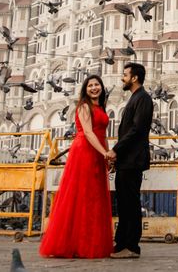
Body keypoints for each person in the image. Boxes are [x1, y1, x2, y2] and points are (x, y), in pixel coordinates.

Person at [39, 75, 114, 259]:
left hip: (97, 151)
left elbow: (102, 134)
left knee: (94, 197)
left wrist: (108, 153)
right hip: (84, 151)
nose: (94, 88)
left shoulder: (101, 107)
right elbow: (88, 132)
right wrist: (104, 153)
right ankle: (72, 243)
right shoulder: (84, 107)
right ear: (85, 89)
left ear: (102, 88)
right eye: (90, 85)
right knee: (80, 195)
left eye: (97, 85)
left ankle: (90, 241)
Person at [109, 62, 153, 259]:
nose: (122, 78)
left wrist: (115, 149)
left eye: (125, 75)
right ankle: (121, 244)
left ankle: (131, 246)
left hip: (132, 160)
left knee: (130, 203)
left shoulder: (143, 98)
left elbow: (136, 130)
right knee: (124, 203)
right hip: (126, 160)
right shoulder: (136, 98)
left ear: (134, 78)